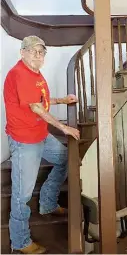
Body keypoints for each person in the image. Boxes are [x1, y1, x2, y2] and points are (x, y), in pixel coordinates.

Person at [3, 36, 80, 254]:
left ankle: (47, 203)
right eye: (34, 51)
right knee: (22, 195)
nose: (39, 55)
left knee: (64, 158)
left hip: (39, 134)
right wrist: (63, 128)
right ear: (23, 53)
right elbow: (36, 108)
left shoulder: (36, 74)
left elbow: (41, 100)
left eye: (42, 51)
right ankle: (20, 242)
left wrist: (62, 100)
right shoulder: (19, 74)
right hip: (24, 140)